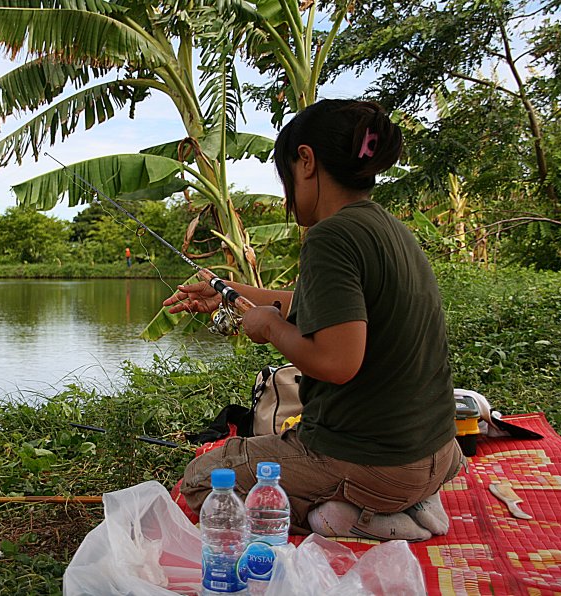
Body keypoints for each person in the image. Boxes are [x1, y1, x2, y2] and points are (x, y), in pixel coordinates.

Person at [162, 99, 464, 541]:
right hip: (438, 453)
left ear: (306, 161)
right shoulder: (387, 227)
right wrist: (230, 293)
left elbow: (338, 362)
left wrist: (268, 329)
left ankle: (359, 517)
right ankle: (410, 501)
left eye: (286, 174)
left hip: (379, 465)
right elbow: (328, 307)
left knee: (202, 480)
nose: (287, 193)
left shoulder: (330, 236)